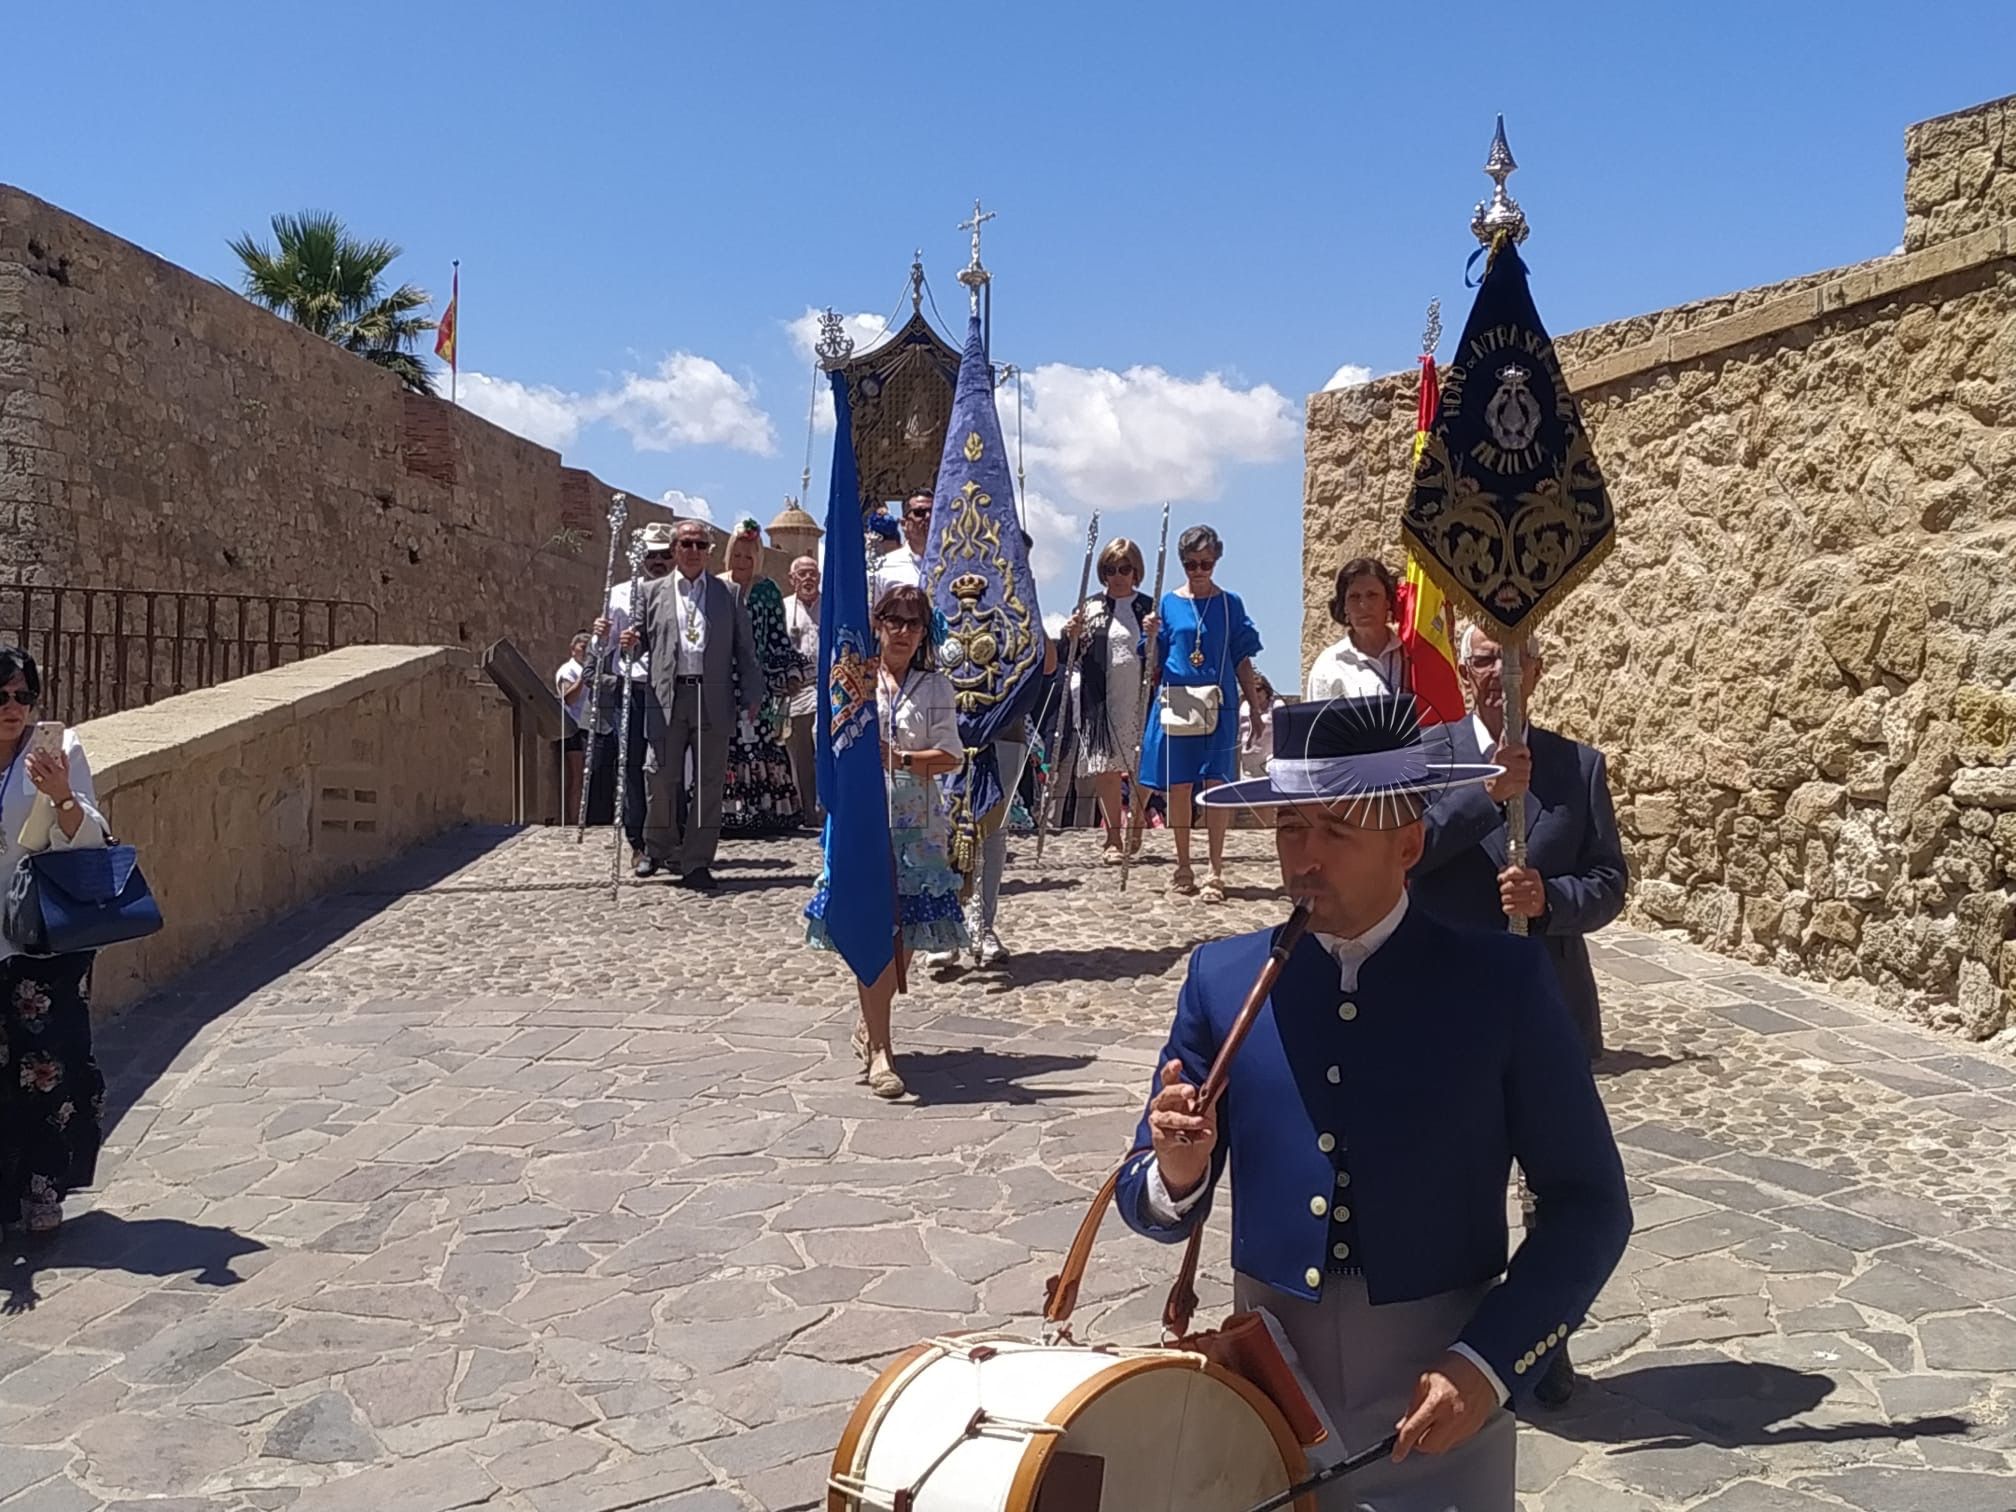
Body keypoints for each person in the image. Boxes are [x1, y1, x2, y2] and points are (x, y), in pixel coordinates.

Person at [1116, 693, 1632, 1509]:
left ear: (1409, 845)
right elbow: (1148, 1198)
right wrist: (1175, 1171)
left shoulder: (1501, 984)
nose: (1304, 858)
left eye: (1336, 832)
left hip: (1444, 1392)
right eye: (1291, 830)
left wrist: (1491, 1365)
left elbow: (1591, 1204)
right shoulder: (1221, 981)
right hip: (1269, 1400)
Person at [1412, 625, 1627, 1063]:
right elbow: (1406, 853)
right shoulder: (1425, 757)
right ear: (1464, 672)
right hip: (1446, 997)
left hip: (1550, 999)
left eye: (1512, 662)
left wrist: (1549, 898)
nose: (1499, 673)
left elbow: (1609, 881)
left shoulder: (1579, 767)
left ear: (1537, 672)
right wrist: (1485, 797)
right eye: (1485, 660)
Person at [804, 585, 968, 1099]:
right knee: (869, 922)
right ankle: (881, 1049)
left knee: (908, 934)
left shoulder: (935, 686)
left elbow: (950, 755)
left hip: (916, 821)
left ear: (924, 632)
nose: (902, 630)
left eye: (913, 622)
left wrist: (898, 759)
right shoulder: (855, 679)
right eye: (893, 620)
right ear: (877, 623)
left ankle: (873, 1022)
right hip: (862, 818)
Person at [0, 647, 111, 1235]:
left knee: (47, 1065)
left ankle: (43, 1188)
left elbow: (91, 836)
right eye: (1, 695)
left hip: (41, 939)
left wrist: (64, 795)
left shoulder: (58, 752)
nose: (13, 708)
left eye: (23, 696)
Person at [627, 519, 762, 888]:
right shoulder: (651, 592)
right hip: (666, 695)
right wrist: (625, 640)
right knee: (658, 776)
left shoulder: (728, 593)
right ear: (674, 550)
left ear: (709, 552)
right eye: (686, 544)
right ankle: (658, 847)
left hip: (712, 695)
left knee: (708, 782)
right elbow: (638, 643)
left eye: (701, 545)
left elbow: (745, 651)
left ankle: (697, 860)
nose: (693, 551)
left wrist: (753, 694)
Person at [1138, 524, 1267, 904]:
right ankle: (1182, 865)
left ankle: (1215, 868)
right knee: (1179, 785)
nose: (1198, 570)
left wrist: (1254, 707)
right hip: (1178, 699)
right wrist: (1150, 635)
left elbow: (1242, 658)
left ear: (1217, 560)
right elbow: (1154, 660)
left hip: (1220, 702)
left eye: (1205, 563)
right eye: (1191, 564)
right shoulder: (1167, 604)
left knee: (1217, 786)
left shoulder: (1230, 605)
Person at [1062, 538, 1159, 863]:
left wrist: (1157, 634)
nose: (1117, 575)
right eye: (1110, 569)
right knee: (1105, 767)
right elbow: (1071, 655)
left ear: (1136, 571)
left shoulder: (1149, 608)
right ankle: (1113, 837)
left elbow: (1164, 653)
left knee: (1141, 764)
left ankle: (1139, 815)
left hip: (1140, 697)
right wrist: (1070, 634)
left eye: (1124, 568)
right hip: (1099, 697)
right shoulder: (1089, 608)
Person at [594, 521, 677, 867]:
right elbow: (603, 651)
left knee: (667, 767)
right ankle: (638, 842)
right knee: (631, 767)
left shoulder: (682, 592)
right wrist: (600, 636)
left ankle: (670, 839)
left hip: (670, 688)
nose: (657, 561)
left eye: (664, 555)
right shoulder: (619, 595)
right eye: (651, 555)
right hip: (633, 688)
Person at [718, 519, 803, 835]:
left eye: (748, 556)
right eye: (737, 556)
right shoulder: (718, 587)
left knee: (761, 739)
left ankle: (767, 809)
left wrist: (789, 672)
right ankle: (729, 811)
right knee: (729, 743)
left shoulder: (767, 591)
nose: (742, 562)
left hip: (760, 680)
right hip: (724, 680)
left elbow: (777, 636)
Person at [1306, 556, 1409, 701]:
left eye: (1372, 595)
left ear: (1387, 602)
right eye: (1354, 597)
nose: (1364, 605)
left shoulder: (1409, 655)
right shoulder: (1330, 664)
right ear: (1345, 607)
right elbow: (1318, 721)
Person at [554, 631, 615, 826]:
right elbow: (568, 698)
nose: (584, 652)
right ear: (573, 650)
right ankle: (574, 820)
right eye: (582, 648)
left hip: (588, 727)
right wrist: (583, 678)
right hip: (572, 727)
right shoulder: (568, 670)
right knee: (577, 776)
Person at [783, 555, 823, 828]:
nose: (808, 578)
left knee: (826, 751)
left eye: (812, 573)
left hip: (827, 688)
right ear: (792, 579)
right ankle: (808, 811)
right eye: (802, 574)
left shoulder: (830, 605)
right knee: (800, 755)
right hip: (797, 692)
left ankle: (827, 809)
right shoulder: (783, 608)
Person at [868, 492, 933, 602]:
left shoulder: (954, 565)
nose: (928, 517)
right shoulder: (882, 568)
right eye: (920, 512)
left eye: (934, 512)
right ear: (904, 524)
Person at [1237, 674, 1276, 783]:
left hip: (1268, 762)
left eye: (1258, 689)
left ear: (1266, 690)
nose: (1255, 693)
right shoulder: (1244, 707)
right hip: (1248, 763)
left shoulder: (1276, 706)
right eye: (1251, 690)